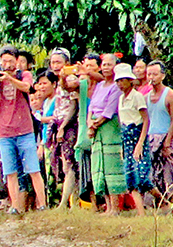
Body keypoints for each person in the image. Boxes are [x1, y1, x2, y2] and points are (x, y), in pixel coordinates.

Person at [0, 45, 47, 213]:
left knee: (33, 169)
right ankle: (15, 206)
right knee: (10, 172)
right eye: (4, 61)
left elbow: (27, 88)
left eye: (10, 61)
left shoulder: (24, 75)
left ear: (16, 61)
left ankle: (42, 204)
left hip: (25, 130)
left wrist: (9, 79)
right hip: (4, 132)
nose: (7, 64)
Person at [86, 59, 127, 216]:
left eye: (110, 64)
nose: (106, 67)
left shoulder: (116, 88)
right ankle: (108, 206)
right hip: (96, 129)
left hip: (109, 128)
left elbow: (109, 111)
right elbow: (91, 107)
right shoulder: (99, 86)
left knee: (112, 166)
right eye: (104, 64)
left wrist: (94, 125)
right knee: (99, 167)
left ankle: (116, 207)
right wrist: (90, 123)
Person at [64, 53, 105, 209]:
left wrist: (85, 72)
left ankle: (106, 203)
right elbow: (67, 87)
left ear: (98, 67)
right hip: (84, 131)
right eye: (85, 65)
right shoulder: (82, 84)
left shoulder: (103, 84)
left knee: (102, 166)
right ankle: (93, 204)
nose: (86, 69)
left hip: (102, 127)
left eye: (90, 66)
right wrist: (63, 76)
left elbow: (101, 79)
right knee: (87, 169)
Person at [143, 60, 173, 207]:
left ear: (162, 76)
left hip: (165, 137)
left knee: (169, 173)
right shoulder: (146, 98)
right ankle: (158, 205)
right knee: (153, 174)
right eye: (149, 74)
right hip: (151, 139)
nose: (151, 77)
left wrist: (167, 142)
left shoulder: (170, 95)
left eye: (155, 74)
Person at [116, 69, 150, 216]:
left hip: (137, 135)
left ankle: (162, 203)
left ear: (130, 80)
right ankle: (141, 212)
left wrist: (140, 143)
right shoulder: (121, 98)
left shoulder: (137, 97)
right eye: (118, 80)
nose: (120, 83)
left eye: (123, 80)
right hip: (126, 138)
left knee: (141, 176)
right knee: (130, 176)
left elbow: (145, 120)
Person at [47, 49, 79, 209]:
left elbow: (73, 106)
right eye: (53, 62)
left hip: (69, 126)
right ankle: (71, 203)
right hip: (58, 124)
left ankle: (65, 203)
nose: (54, 65)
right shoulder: (59, 81)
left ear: (67, 63)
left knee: (69, 164)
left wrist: (63, 127)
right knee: (63, 166)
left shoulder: (71, 79)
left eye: (58, 62)